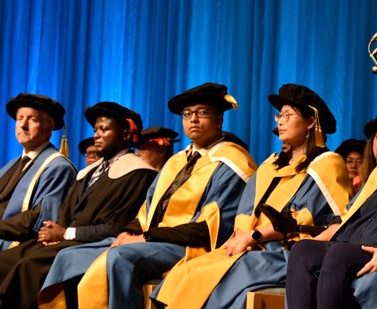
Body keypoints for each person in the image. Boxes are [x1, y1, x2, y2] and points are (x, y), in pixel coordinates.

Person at [40, 83, 257, 309]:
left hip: (193, 247)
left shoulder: (233, 164)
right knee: (68, 257)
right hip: (154, 239)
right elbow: (147, 208)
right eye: (187, 114)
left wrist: (147, 237)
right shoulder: (177, 161)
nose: (193, 119)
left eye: (202, 113)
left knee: (118, 259)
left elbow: (209, 230)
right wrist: (128, 232)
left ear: (219, 120)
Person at [151, 83, 352, 309]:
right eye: (279, 115)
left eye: (288, 115)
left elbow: (318, 220)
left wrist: (253, 237)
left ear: (311, 122)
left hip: (285, 252)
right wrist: (242, 238)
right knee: (188, 270)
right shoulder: (271, 164)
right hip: (250, 246)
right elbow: (245, 211)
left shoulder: (327, 164)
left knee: (217, 279)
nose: (280, 121)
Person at [0, 101, 156, 309]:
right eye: (95, 130)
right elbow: (65, 213)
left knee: (28, 267)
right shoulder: (88, 173)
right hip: (65, 240)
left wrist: (65, 234)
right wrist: (52, 233)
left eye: (104, 129)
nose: (97, 135)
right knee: (5, 260)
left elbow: (115, 226)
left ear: (126, 134)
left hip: (94, 243)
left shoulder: (137, 174)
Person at [286, 115, 377, 309]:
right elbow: (344, 220)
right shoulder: (369, 182)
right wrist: (316, 240)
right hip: (352, 240)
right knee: (302, 250)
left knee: (338, 253)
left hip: (376, 246)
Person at [0, 94, 76, 251]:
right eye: (20, 118)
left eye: (32, 119)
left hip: (21, 245)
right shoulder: (11, 165)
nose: (23, 125)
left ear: (48, 129)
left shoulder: (59, 168)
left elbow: (40, 219)